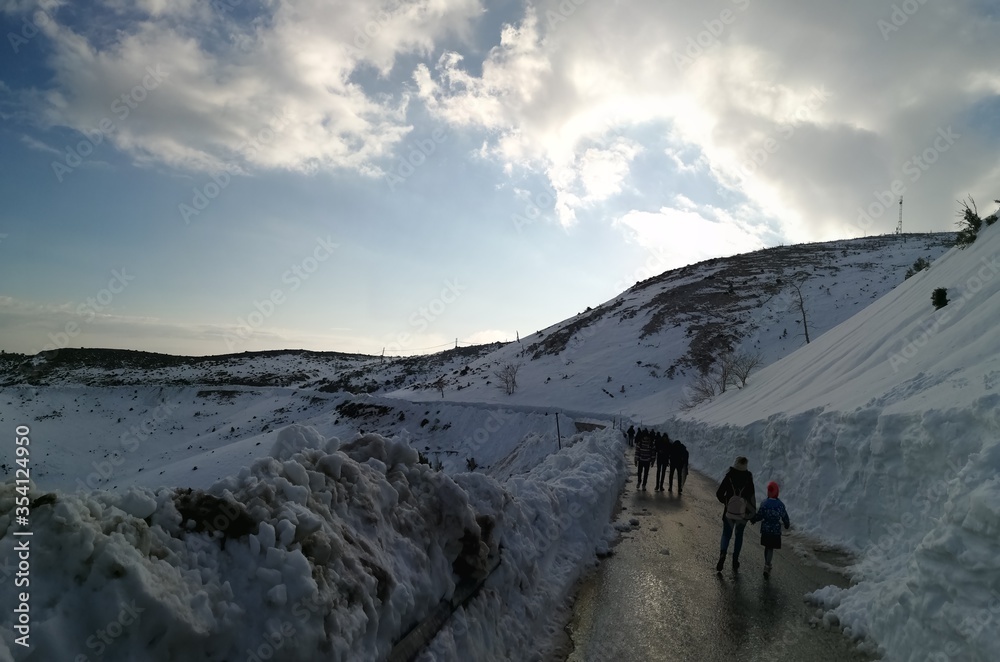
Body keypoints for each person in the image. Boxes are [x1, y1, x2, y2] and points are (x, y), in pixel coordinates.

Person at [715, 456, 756, 572]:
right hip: (742, 515)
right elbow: (752, 497)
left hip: (729, 512)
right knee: (739, 536)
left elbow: (719, 493)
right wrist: (752, 514)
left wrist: (726, 502)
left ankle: (722, 554)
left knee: (726, 535)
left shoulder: (729, 476)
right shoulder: (748, 478)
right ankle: (735, 560)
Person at [750, 481, 790, 578]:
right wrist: (786, 524)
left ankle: (767, 563)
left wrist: (754, 519)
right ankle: (767, 564)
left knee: (767, 547)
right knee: (770, 548)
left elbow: (760, 515)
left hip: (765, 530)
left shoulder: (764, 503)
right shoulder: (780, 505)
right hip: (775, 531)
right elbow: (785, 516)